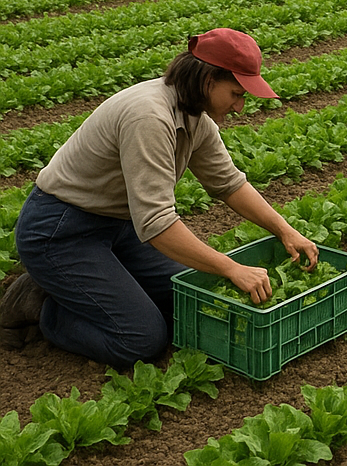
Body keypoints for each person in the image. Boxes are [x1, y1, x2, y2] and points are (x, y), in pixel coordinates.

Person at [2, 28, 319, 368]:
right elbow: (156, 223)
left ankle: (85, 280)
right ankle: (39, 304)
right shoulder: (150, 116)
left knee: (184, 300)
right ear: (209, 79)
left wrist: (285, 230)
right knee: (141, 338)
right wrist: (231, 268)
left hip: (119, 226)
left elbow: (228, 184)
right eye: (236, 93)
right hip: (60, 231)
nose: (240, 106)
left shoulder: (195, 116)